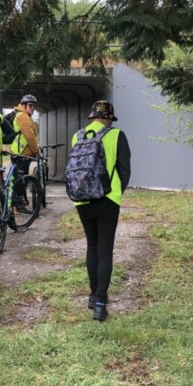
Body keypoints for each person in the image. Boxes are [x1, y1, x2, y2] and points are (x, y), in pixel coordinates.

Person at [70, 100, 131, 321]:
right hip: (107, 199)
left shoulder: (77, 136)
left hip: (82, 200)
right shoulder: (116, 135)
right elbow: (124, 170)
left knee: (92, 246)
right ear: (109, 117)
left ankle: (92, 294)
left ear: (92, 116)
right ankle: (100, 302)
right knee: (105, 250)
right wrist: (116, 194)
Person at [9, 94, 41, 211]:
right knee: (20, 181)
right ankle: (19, 205)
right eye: (30, 105)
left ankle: (17, 204)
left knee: (20, 179)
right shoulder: (23, 116)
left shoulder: (25, 115)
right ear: (23, 105)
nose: (32, 108)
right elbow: (29, 136)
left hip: (23, 154)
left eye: (34, 106)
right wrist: (36, 151)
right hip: (21, 154)